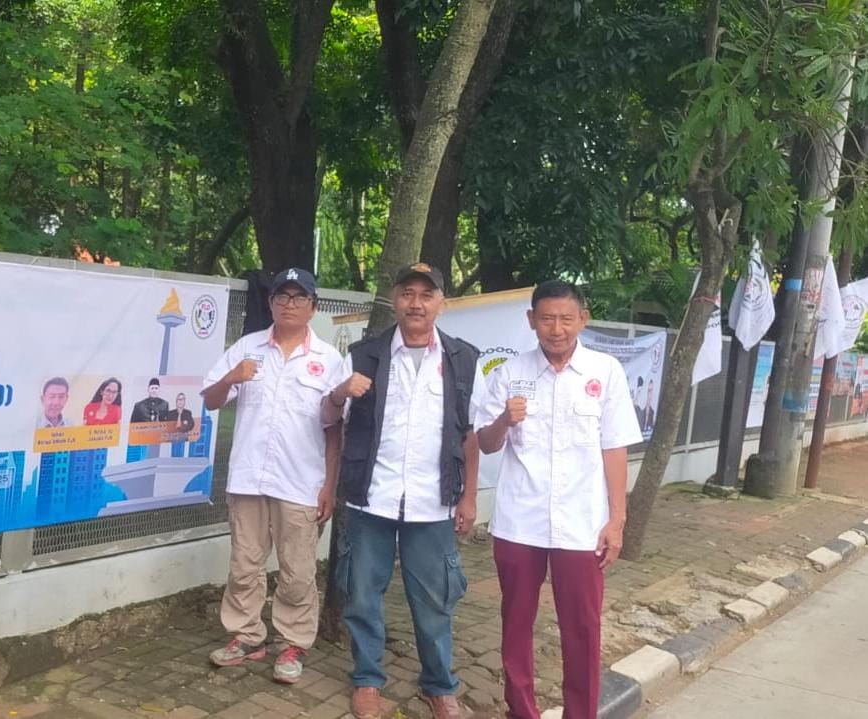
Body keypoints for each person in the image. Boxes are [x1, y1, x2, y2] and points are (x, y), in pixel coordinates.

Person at [476, 280, 641, 719]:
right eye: (547, 318)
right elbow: (486, 443)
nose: (556, 329)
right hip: (520, 521)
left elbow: (615, 448)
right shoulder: (509, 373)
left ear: (583, 319)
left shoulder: (605, 372)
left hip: (583, 524)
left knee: (583, 626)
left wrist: (617, 521)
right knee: (516, 622)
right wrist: (503, 421)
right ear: (531, 320)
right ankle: (521, 710)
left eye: (566, 319)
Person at [320, 263, 479, 719]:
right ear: (394, 300)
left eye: (426, 295)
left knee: (435, 601)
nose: (416, 303)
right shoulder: (363, 356)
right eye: (408, 293)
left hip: (433, 501)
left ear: (441, 303)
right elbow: (329, 420)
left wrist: (468, 496)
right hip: (370, 495)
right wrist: (338, 393)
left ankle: (439, 686)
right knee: (362, 595)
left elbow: (470, 433)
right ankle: (367, 680)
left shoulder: (463, 359)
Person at [202, 267, 343, 685]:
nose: (289, 305)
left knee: (298, 571)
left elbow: (335, 429)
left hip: (301, 482)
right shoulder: (247, 348)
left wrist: (330, 486)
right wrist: (232, 377)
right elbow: (210, 401)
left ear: (313, 307)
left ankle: (293, 643)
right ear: (271, 303)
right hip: (248, 478)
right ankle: (246, 636)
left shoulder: (329, 360)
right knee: (244, 564)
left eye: (299, 298)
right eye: (282, 297)